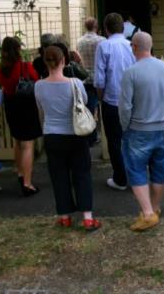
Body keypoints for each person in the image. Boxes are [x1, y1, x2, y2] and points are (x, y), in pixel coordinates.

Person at [34, 45, 101, 230]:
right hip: (75, 134)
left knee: (58, 176)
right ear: (64, 60)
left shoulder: (39, 86)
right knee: (82, 174)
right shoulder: (75, 83)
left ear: (45, 62)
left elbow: (41, 110)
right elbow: (85, 103)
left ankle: (64, 216)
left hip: (52, 135)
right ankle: (87, 217)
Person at [119, 32, 164, 232]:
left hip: (137, 128)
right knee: (159, 168)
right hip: (161, 127)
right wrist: (162, 114)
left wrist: (125, 126)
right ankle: (155, 207)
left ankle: (147, 213)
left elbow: (125, 107)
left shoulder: (131, 72)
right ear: (151, 46)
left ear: (135, 47)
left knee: (136, 169)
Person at [0, 36, 42, 197]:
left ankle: (20, 173)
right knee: (28, 144)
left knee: (17, 141)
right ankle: (27, 184)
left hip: (11, 105)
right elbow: (36, 80)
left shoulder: (0, 68)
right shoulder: (25, 66)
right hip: (26, 106)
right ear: (18, 49)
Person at [94, 13, 136, 191]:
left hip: (111, 100)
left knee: (114, 141)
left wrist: (100, 98)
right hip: (132, 100)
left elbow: (99, 78)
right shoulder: (132, 46)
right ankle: (135, 175)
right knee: (132, 139)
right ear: (123, 27)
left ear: (106, 29)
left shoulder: (104, 46)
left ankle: (120, 178)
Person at [77, 17, 106, 146]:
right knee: (104, 106)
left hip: (85, 78)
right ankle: (104, 132)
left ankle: (91, 135)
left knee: (89, 108)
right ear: (96, 27)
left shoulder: (79, 41)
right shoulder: (102, 40)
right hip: (100, 77)